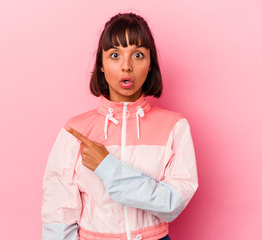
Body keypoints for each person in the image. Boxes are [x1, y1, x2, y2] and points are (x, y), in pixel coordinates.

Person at [41, 12, 198, 240]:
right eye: (115, 55)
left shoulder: (175, 127)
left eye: (138, 55)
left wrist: (108, 167)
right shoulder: (75, 131)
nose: (126, 66)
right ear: (102, 65)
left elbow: (172, 203)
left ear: (150, 64)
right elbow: (58, 211)